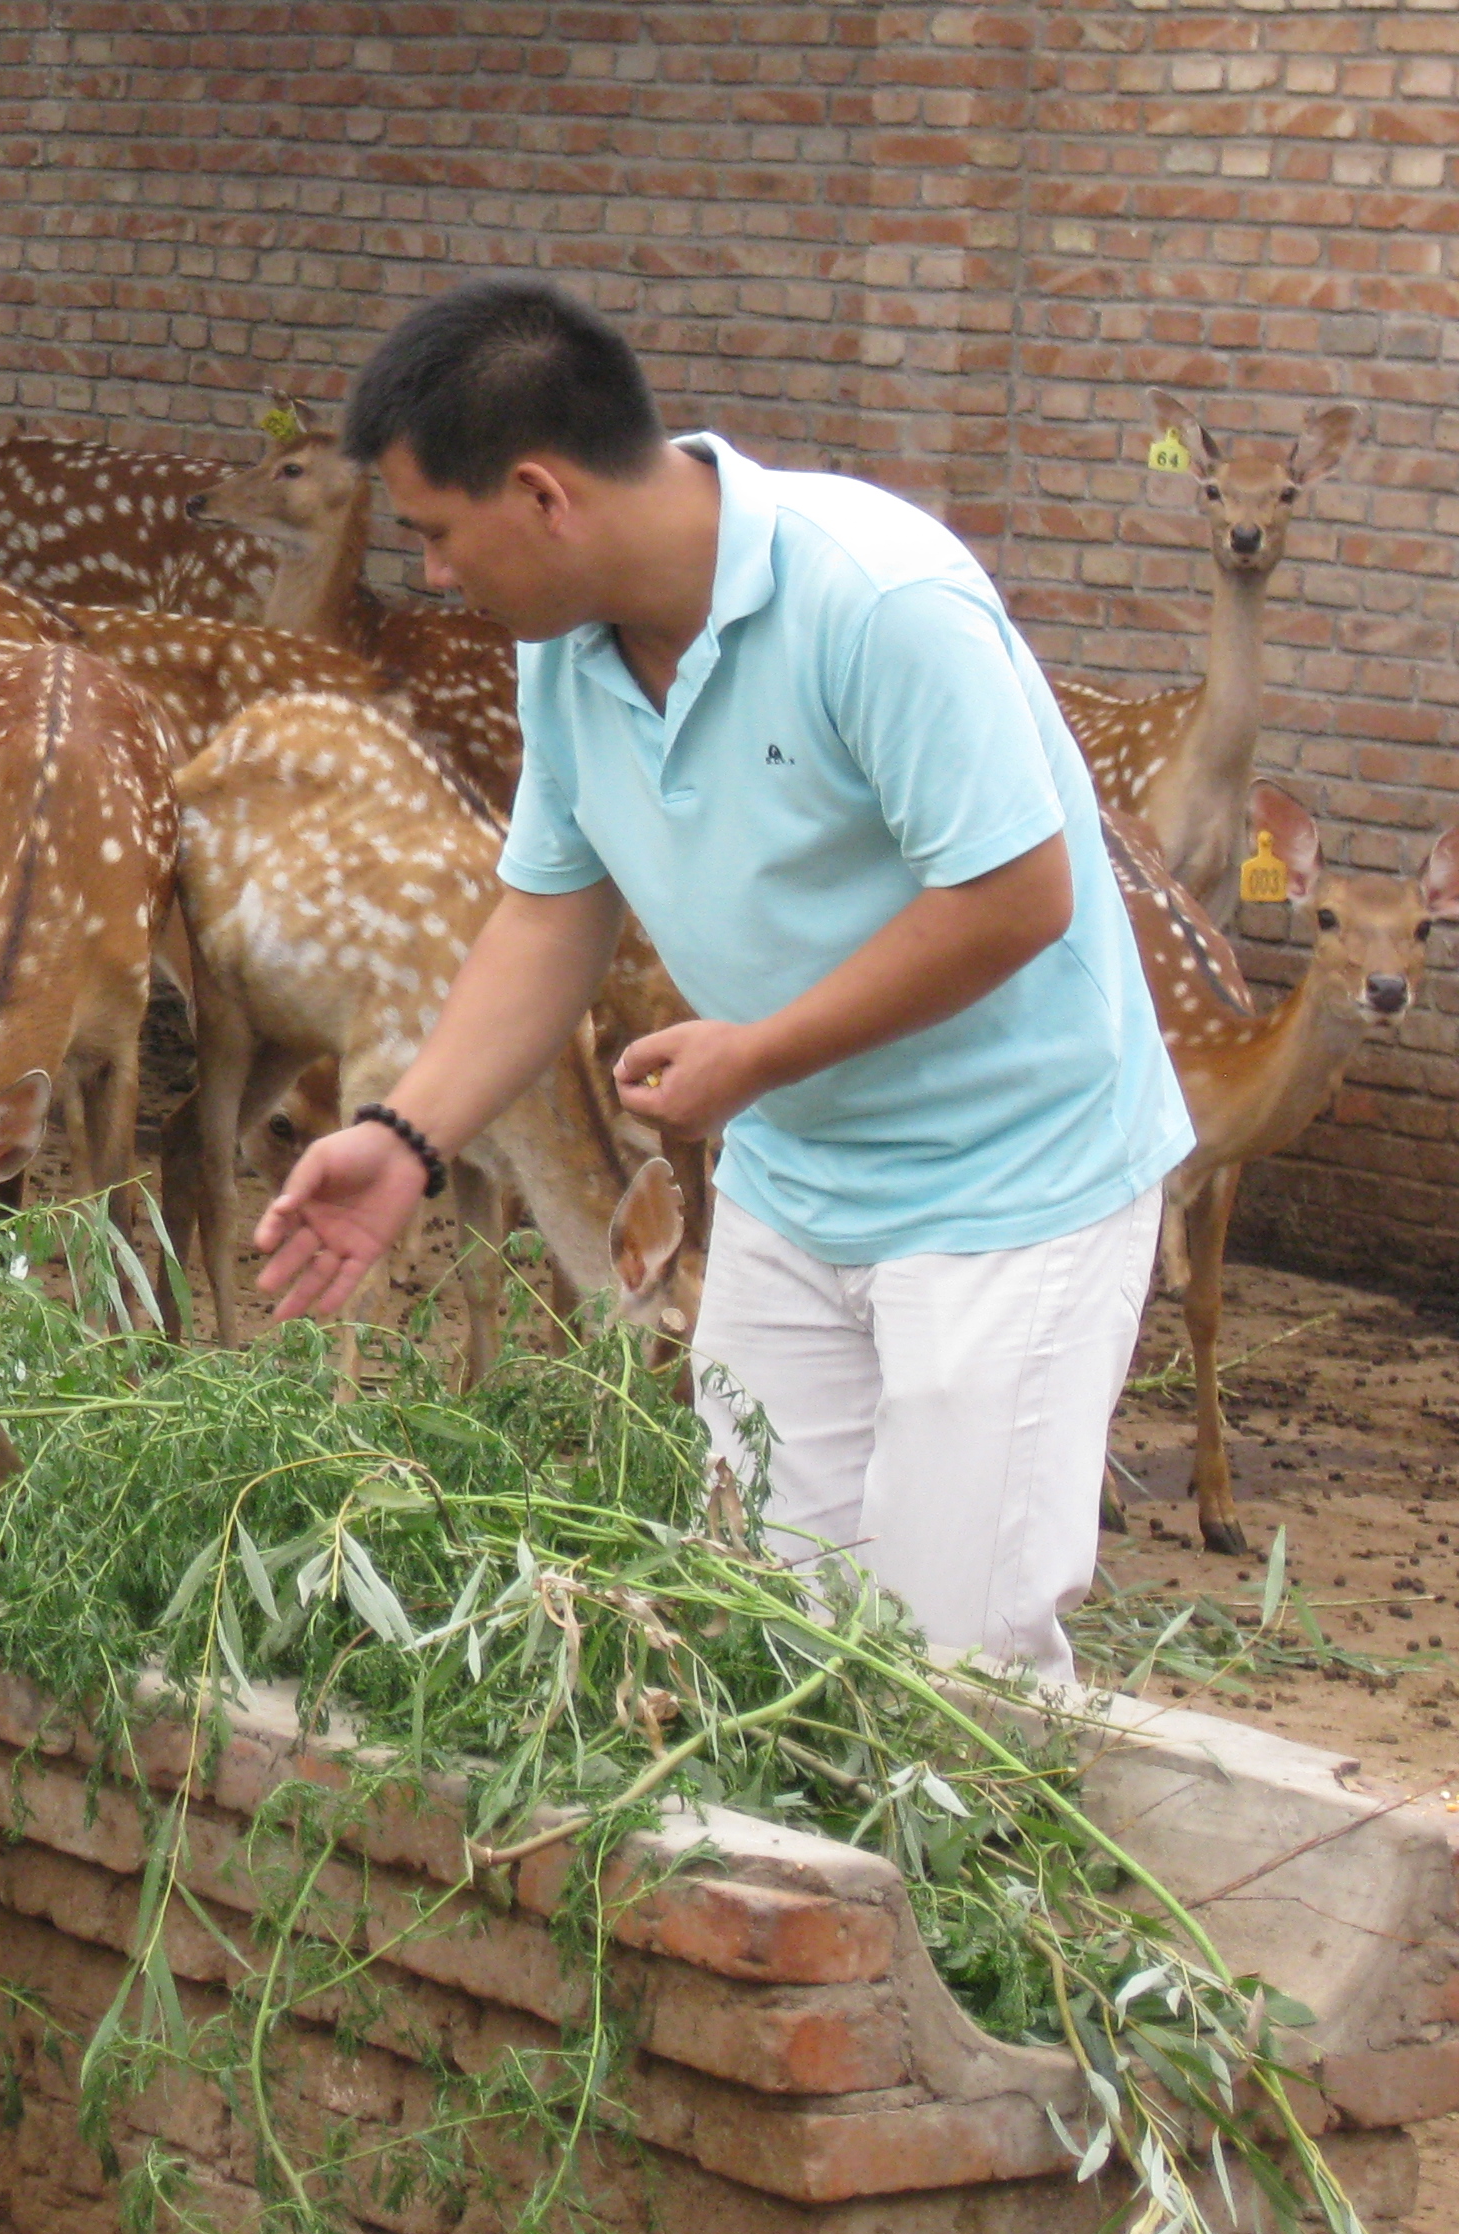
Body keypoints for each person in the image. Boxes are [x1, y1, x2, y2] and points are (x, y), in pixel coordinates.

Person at [253, 276, 1192, 1681]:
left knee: (955, 1661)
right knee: (761, 1634)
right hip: (801, 1186)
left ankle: (980, 1874)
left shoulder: (878, 598)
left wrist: (759, 1056)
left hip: (1013, 1191)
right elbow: (546, 917)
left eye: (439, 535)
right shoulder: (564, 656)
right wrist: (404, 1138)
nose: (433, 573)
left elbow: (1015, 898)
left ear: (540, 495)